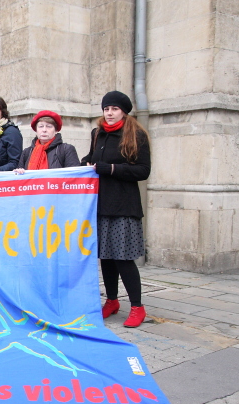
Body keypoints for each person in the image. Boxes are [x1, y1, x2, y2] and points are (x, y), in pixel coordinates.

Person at [81, 91, 151, 328]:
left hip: (124, 205)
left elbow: (143, 170)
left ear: (123, 111)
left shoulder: (136, 134)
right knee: (106, 258)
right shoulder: (97, 133)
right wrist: (85, 163)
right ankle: (111, 301)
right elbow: (92, 157)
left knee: (123, 258)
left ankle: (137, 307)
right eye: (106, 109)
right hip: (100, 204)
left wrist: (110, 168)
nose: (109, 113)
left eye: (114, 109)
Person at [15, 110, 80, 172]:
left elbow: (74, 176)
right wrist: (19, 173)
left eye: (49, 126)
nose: (44, 130)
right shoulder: (27, 152)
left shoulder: (66, 150)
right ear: (36, 130)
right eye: (40, 126)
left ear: (56, 130)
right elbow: (19, 179)